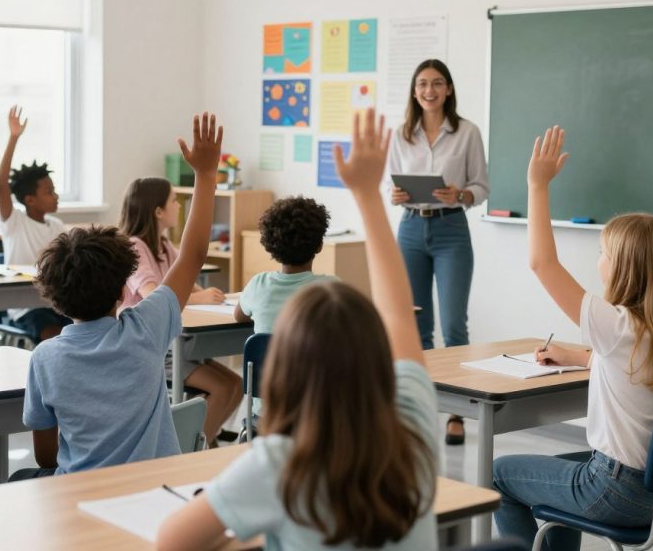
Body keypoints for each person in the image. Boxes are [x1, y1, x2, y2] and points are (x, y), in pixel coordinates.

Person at [158, 109, 439, 551]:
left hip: (261, 418)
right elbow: (400, 315)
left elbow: (172, 542)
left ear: (286, 364)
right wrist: (368, 194)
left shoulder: (277, 463)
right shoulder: (413, 428)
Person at [491, 126, 653, 551]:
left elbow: (542, 263)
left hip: (617, 493)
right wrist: (581, 356)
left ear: (623, 267)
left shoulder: (616, 324)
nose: (598, 261)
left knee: (500, 475)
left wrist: (536, 185)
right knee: (553, 474)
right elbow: (634, 367)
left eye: (602, 253)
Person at [12, 113, 222, 479]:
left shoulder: (44, 358)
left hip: (82, 494)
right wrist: (205, 176)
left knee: (20, 480)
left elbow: (47, 456)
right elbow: (194, 255)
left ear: (54, 298)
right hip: (155, 489)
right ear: (121, 287)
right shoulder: (146, 327)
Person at [388, 58, 489, 445]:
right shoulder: (401, 134)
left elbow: (481, 186)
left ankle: (457, 414)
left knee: (453, 325)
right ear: (414, 91)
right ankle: (422, 407)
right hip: (411, 228)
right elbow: (393, 185)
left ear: (448, 89)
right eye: (422, 84)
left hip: (451, 229)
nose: (429, 91)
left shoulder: (467, 132)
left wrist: (460, 194)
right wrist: (396, 195)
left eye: (436, 83)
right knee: (416, 326)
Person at [118, 177, 242, 445]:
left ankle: (201, 440)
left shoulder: (164, 246)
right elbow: (153, 295)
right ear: (158, 211)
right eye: (174, 200)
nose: (178, 206)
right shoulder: (134, 247)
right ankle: (190, 448)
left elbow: (191, 286)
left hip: (175, 345)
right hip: (149, 350)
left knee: (236, 385)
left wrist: (211, 296)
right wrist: (201, 298)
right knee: (221, 389)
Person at [0, 105, 71, 343]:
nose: (56, 195)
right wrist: (14, 137)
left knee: (85, 328)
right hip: (25, 307)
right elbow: (1, 184)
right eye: (49, 191)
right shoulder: (14, 222)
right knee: (54, 335)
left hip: (56, 301)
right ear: (29, 200)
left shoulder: (56, 225)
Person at [235, 195, 337, 334]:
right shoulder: (331, 289)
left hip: (268, 356)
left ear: (270, 246)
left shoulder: (258, 284)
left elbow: (240, 317)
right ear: (319, 246)